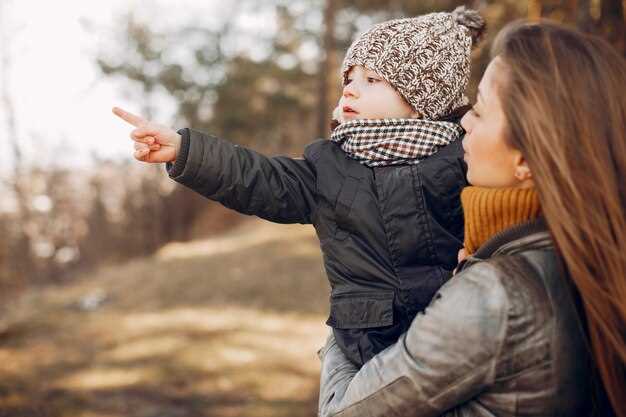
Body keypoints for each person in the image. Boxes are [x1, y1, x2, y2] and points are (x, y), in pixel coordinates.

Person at [113, 7, 486, 367]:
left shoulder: (465, 158)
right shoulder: (328, 167)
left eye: (372, 80)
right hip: (369, 343)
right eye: (349, 79)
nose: (351, 91)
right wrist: (184, 150)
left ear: (422, 100)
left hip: (454, 333)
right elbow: (258, 178)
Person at [317, 20, 625, 417]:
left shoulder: (497, 297)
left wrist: (340, 327)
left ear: (526, 160)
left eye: (479, 111)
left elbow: (341, 411)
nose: (463, 122)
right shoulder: (579, 255)